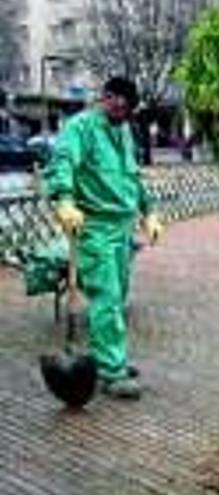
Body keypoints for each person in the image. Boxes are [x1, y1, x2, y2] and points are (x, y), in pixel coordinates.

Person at [42, 76, 163, 400]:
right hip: (94, 228)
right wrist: (64, 200)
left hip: (121, 228)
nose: (124, 114)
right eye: (120, 106)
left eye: (129, 110)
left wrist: (147, 212)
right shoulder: (80, 128)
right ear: (106, 98)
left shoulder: (123, 129)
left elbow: (131, 176)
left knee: (118, 297)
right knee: (106, 298)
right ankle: (111, 372)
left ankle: (107, 355)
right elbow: (62, 164)